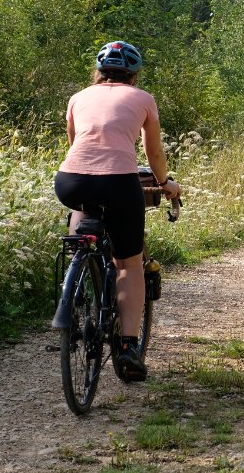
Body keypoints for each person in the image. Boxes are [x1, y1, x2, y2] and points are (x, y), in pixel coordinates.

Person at [53, 40, 181, 382]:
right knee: (129, 264)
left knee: (83, 228)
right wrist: (166, 183)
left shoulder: (78, 97)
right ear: (134, 75)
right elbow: (153, 155)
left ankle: (77, 278)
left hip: (70, 182)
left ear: (98, 73)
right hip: (119, 184)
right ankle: (126, 346)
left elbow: (75, 142)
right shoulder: (143, 99)